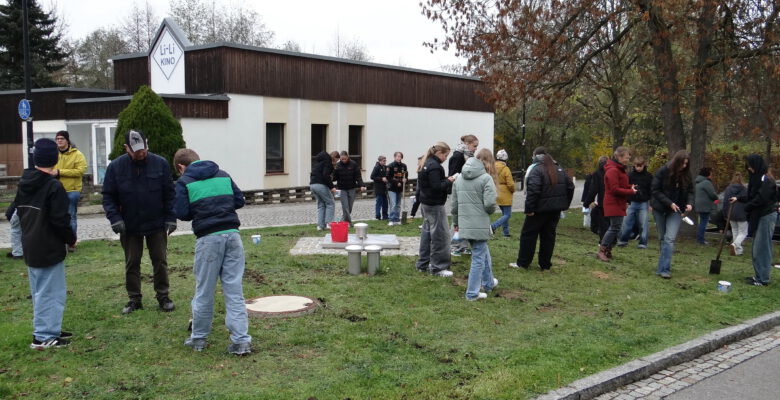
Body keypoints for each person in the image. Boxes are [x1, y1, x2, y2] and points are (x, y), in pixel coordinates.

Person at [172, 149, 252, 355]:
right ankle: (241, 341)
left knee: (204, 290)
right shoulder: (223, 174)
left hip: (208, 239)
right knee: (234, 290)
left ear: (181, 167)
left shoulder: (184, 182)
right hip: (233, 236)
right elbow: (239, 200)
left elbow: (182, 213)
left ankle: (198, 339)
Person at [102, 130, 176, 314]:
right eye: (135, 151)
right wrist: (115, 219)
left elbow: (170, 194)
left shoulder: (160, 164)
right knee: (132, 262)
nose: (140, 153)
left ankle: (163, 296)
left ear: (146, 144)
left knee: (160, 260)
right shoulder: (116, 167)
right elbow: (108, 197)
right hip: (129, 225)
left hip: (156, 222)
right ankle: (134, 299)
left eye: (142, 149)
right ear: (126, 148)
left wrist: (171, 218)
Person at [14, 139, 76, 349]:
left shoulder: (24, 182)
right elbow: (60, 220)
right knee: (52, 291)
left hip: (30, 243)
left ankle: (49, 328)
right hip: (48, 246)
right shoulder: (53, 186)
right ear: (55, 158)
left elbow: (14, 212)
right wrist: (71, 238)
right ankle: (43, 336)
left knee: (40, 290)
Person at [510, 149, 574, 270]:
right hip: (555, 210)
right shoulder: (560, 170)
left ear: (535, 157)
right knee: (548, 236)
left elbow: (533, 191)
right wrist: (564, 205)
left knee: (528, 236)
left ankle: (523, 263)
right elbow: (570, 187)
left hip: (538, 211)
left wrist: (529, 209)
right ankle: (545, 264)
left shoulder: (537, 170)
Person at [452, 149, 498, 300]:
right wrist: (487, 211)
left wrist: (456, 223)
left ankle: (489, 283)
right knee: (478, 257)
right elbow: (491, 203)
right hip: (479, 223)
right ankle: (472, 293)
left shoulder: (458, 179)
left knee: (483, 252)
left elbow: (454, 206)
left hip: (465, 224)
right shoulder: (486, 178)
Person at [732, 155, 777, 286]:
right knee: (757, 248)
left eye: (750, 165)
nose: (749, 168)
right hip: (760, 216)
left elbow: (761, 198)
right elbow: (752, 195)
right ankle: (759, 276)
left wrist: (747, 207)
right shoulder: (757, 179)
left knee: (762, 248)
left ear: (756, 165)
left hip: (766, 216)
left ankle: (763, 279)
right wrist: (739, 199)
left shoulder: (766, 179)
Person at [650, 150, 694, 279]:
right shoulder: (663, 171)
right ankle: (662, 266)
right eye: (682, 163)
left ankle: (664, 269)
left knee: (669, 239)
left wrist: (690, 203)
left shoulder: (686, 174)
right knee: (662, 238)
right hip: (660, 208)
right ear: (677, 161)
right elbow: (655, 190)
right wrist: (669, 203)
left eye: (686, 164)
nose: (684, 166)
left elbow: (691, 191)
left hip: (676, 211)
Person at [417, 142, 457, 277]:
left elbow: (430, 183)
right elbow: (436, 186)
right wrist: (449, 181)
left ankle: (422, 264)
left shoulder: (426, 163)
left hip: (426, 203)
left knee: (427, 234)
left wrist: (444, 179)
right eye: (445, 155)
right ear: (439, 153)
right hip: (434, 205)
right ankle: (438, 267)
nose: (446, 158)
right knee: (440, 236)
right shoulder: (435, 166)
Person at [597, 147, 637, 262]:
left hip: (618, 202)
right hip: (613, 202)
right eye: (626, 157)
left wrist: (630, 187)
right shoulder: (613, 170)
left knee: (616, 227)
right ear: (619, 157)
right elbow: (614, 189)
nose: (628, 159)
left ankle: (607, 250)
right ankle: (602, 249)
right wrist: (630, 192)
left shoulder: (619, 169)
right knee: (615, 227)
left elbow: (621, 184)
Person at [52, 130, 87, 252]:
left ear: (67, 140)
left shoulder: (77, 154)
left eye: (61, 138)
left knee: (71, 216)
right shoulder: (53, 154)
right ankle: (59, 241)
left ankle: (71, 243)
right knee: (56, 217)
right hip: (55, 190)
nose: (59, 141)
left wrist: (60, 172)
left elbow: (80, 171)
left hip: (72, 190)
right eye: (57, 139)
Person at [449, 135, 479, 256]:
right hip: (459, 190)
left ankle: (464, 245)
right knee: (457, 219)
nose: (476, 149)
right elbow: (453, 174)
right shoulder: (457, 156)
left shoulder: (469, 157)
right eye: (474, 146)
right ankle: (455, 246)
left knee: (466, 219)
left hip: (468, 190)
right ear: (467, 144)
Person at [616, 157, 653, 249]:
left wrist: (651, 203)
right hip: (632, 202)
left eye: (640, 166)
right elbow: (626, 188)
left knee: (643, 223)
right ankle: (623, 240)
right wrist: (626, 201)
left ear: (644, 165)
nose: (638, 168)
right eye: (637, 166)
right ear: (634, 166)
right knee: (627, 222)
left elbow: (652, 190)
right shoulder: (630, 175)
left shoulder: (649, 176)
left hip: (644, 202)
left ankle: (643, 243)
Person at [333, 151, 366, 226]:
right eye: (342, 159)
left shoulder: (353, 164)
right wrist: (333, 173)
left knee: (350, 207)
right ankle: (349, 223)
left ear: (347, 157)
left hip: (352, 188)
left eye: (344, 159)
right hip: (342, 189)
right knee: (345, 206)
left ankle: (342, 221)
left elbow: (358, 177)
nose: (343, 160)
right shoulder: (338, 165)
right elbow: (334, 178)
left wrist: (362, 185)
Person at [490, 149, 515, 237]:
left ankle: (506, 233)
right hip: (505, 194)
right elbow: (510, 184)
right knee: (507, 215)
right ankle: (493, 226)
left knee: (504, 215)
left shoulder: (492, 167)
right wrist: (513, 190)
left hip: (496, 191)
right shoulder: (506, 169)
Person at [584, 156, 609, 241]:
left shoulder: (597, 174)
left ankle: (603, 240)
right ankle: (611, 239)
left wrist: (586, 202)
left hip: (602, 201)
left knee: (603, 222)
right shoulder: (613, 172)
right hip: (612, 200)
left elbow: (593, 189)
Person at [310, 151, 337, 230]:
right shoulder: (327, 162)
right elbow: (326, 175)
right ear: (334, 158)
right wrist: (332, 187)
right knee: (330, 203)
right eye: (337, 160)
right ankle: (329, 223)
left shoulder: (319, 162)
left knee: (321, 205)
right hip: (320, 185)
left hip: (312, 185)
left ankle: (320, 226)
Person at [723, 173, 748, 256]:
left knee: (735, 231)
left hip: (731, 212)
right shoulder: (745, 189)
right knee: (743, 232)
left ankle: (738, 250)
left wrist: (725, 213)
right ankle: (735, 245)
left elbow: (725, 202)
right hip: (742, 213)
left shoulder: (728, 189)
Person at [694, 167, 718, 245]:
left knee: (702, 222)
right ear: (707, 174)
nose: (712, 175)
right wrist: (716, 197)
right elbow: (712, 194)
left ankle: (699, 238)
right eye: (711, 174)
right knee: (704, 223)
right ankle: (701, 240)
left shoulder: (698, 182)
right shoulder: (706, 182)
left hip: (699, 205)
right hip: (705, 206)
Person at [386, 152, 408, 226]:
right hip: (392, 188)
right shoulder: (390, 166)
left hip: (400, 188)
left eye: (400, 156)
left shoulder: (404, 166)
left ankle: (397, 219)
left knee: (398, 205)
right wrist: (396, 182)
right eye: (398, 156)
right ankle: (391, 219)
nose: (399, 158)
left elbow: (406, 175)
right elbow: (388, 177)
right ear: (395, 157)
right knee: (393, 204)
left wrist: (405, 179)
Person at [370, 155, 389, 221]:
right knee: (379, 202)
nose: (385, 162)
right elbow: (372, 176)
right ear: (380, 161)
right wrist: (381, 178)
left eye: (385, 161)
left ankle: (385, 216)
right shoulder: (376, 167)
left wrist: (387, 179)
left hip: (384, 188)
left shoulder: (385, 167)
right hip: (378, 188)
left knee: (385, 203)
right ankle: (378, 216)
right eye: (383, 161)